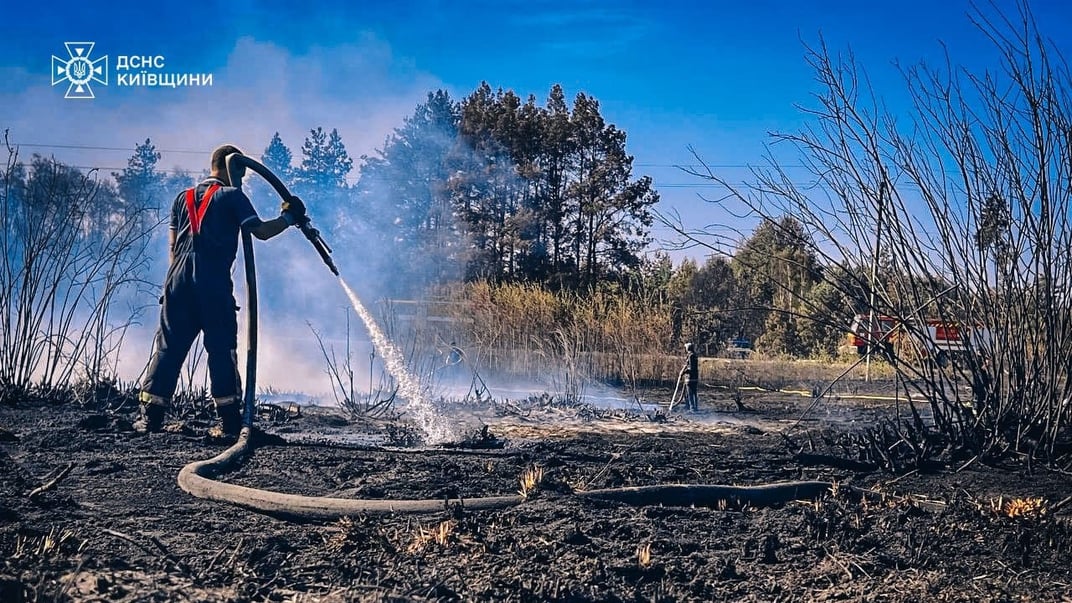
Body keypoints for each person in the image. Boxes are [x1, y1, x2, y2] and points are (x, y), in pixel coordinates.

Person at [136, 144, 306, 436]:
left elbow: (173, 248)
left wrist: (175, 285)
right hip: (212, 284)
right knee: (221, 350)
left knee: (168, 349)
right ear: (235, 168)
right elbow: (261, 232)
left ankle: (150, 418)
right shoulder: (233, 197)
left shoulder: (182, 198)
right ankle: (229, 422)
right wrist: (289, 219)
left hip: (176, 282)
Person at [679, 342, 699, 412]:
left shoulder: (691, 356)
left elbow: (691, 368)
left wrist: (683, 372)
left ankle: (692, 408)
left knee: (690, 394)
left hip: (690, 378)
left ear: (688, 348)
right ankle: (692, 407)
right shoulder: (694, 355)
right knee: (690, 394)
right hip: (694, 378)